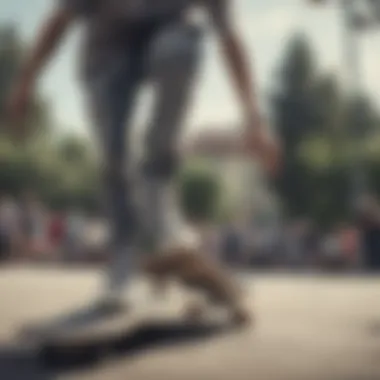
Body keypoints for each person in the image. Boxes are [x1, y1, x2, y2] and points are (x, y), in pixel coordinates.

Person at [7, 0, 280, 320]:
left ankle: (157, 185)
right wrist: (25, 83)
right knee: (114, 156)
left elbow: (230, 39)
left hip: (169, 44)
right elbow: (58, 21)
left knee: (181, 43)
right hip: (106, 57)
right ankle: (122, 263)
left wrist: (254, 118)